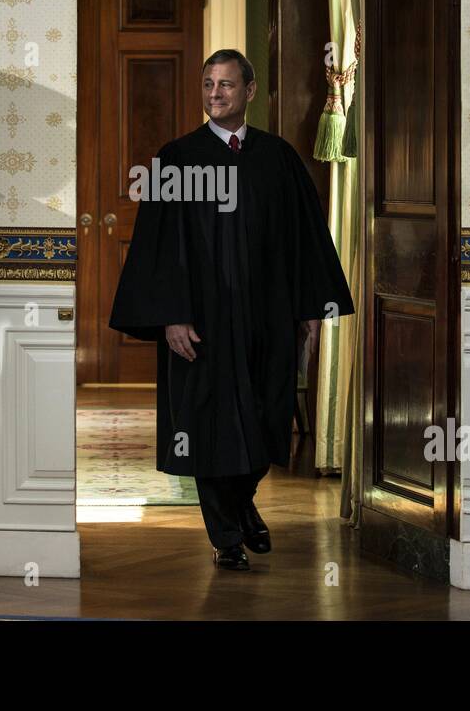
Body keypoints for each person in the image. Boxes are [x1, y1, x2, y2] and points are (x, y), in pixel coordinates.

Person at [109, 48, 354, 571]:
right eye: (207, 85)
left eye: (225, 85)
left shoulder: (279, 158)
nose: (214, 94)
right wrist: (172, 314)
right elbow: (160, 246)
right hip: (201, 322)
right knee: (206, 425)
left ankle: (242, 505)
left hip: (269, 316)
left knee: (268, 418)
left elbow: (304, 239)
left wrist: (311, 308)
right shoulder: (175, 159)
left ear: (248, 92)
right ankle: (225, 536)